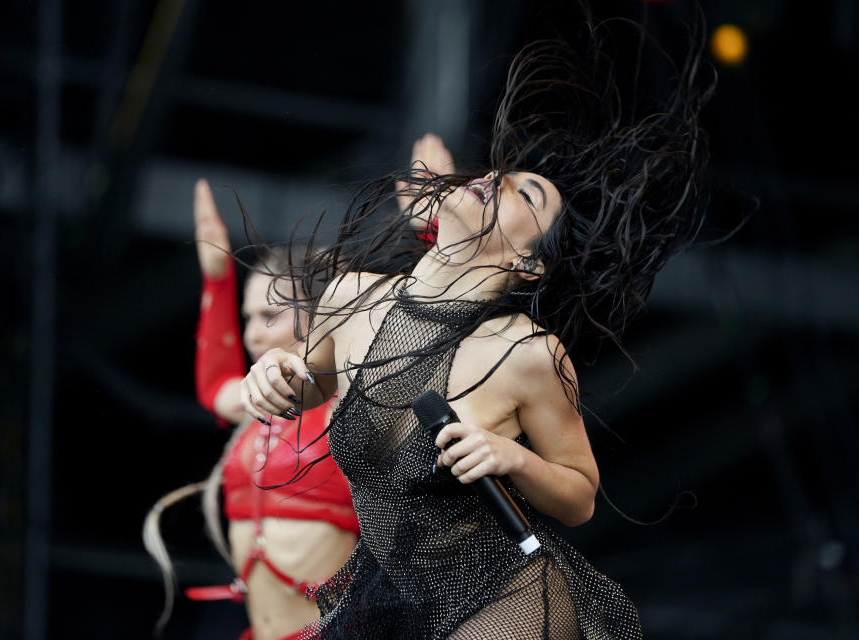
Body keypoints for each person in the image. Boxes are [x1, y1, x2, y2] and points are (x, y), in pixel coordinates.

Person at [240, 8, 713, 640]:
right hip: (388, 593)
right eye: (500, 173)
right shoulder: (352, 295)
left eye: (524, 195)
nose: (493, 179)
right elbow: (316, 385)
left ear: (529, 263)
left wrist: (509, 456)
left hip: (504, 597)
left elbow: (579, 496)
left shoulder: (526, 353)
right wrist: (271, 374)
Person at [143, 180, 359, 640]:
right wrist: (217, 277)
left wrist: (431, 233)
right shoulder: (259, 400)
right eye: (246, 317)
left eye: (269, 315)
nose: (252, 335)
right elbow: (216, 387)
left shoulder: (351, 399)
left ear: (319, 313)